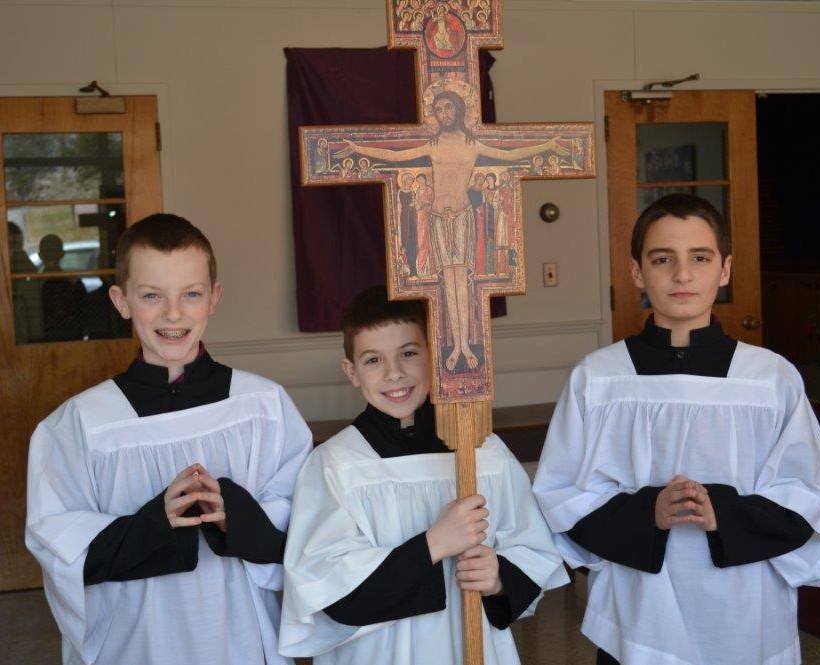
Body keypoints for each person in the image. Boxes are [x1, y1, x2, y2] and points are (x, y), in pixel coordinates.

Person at [533, 193, 820, 665]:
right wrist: (650, 510)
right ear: (636, 272)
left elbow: (807, 495)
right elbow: (562, 494)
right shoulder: (599, 377)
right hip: (641, 606)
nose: (682, 275)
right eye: (662, 259)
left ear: (725, 269)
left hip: (747, 606)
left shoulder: (769, 378)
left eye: (700, 258)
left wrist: (722, 514)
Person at [25, 213, 312, 665]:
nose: (173, 314)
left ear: (213, 298)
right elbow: (57, 542)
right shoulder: (80, 424)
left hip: (237, 634)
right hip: (138, 640)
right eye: (152, 296)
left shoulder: (263, 406)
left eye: (191, 294)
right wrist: (154, 527)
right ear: (121, 301)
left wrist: (234, 516)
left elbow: (305, 517)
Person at [279, 285, 568, 665]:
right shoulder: (335, 464)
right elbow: (331, 590)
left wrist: (499, 577)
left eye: (409, 353)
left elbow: (533, 550)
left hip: (473, 646)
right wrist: (432, 544)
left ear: (436, 356)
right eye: (373, 360)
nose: (394, 374)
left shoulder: (482, 450)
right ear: (351, 371)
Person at [336, 90, 567, 373]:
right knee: (447, 284)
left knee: (463, 285)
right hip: (436, 218)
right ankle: (455, 345)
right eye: (438, 110)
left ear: (458, 110)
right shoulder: (432, 145)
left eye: (448, 108)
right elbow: (395, 156)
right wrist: (359, 149)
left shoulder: (473, 145)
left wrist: (546, 146)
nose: (444, 114)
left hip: (462, 217)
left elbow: (511, 154)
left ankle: (464, 345)